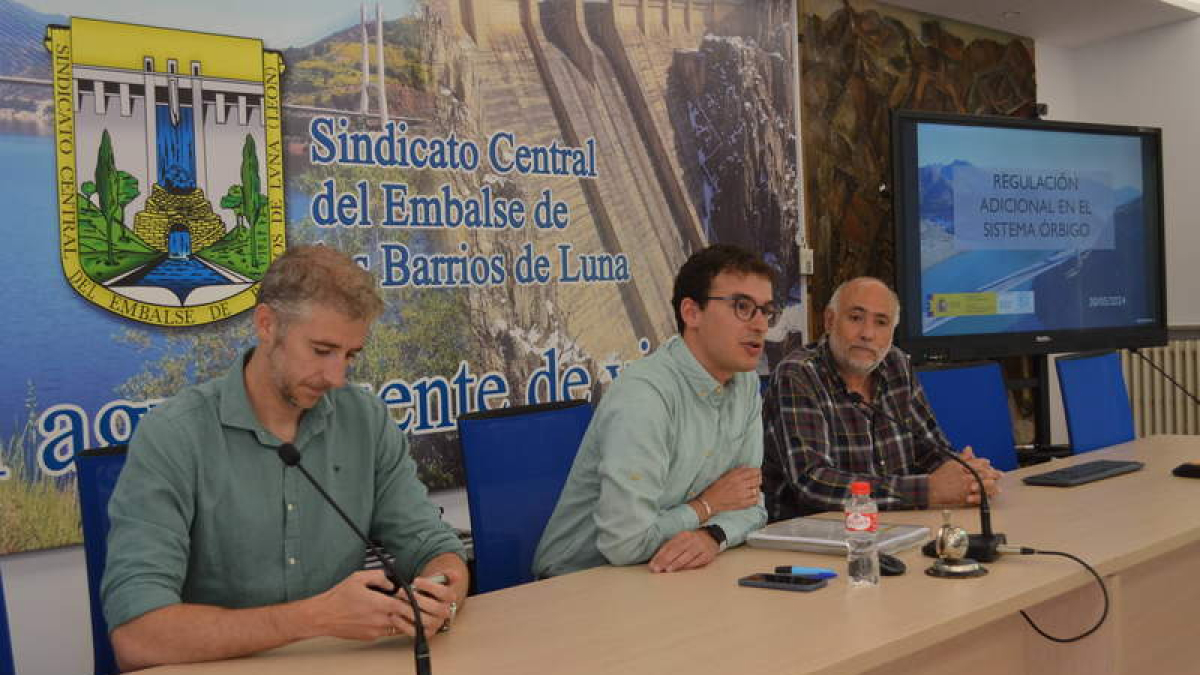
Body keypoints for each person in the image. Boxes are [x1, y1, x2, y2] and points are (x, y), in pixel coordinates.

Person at [102, 245, 468, 670]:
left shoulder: (365, 420)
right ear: (266, 324)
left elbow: (433, 545)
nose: (336, 377)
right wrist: (314, 618)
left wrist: (442, 594)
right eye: (321, 350)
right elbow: (137, 636)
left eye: (350, 355)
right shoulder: (174, 435)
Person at [533, 244, 772, 578]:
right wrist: (707, 506)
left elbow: (752, 506)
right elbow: (626, 543)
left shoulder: (745, 383)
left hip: (671, 573)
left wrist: (712, 535)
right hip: (580, 581)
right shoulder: (644, 396)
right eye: (742, 307)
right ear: (692, 312)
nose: (760, 325)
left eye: (766, 311)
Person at [761, 276, 1002, 521]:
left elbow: (931, 451)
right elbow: (812, 483)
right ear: (829, 321)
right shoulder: (798, 374)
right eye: (856, 318)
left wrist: (968, 476)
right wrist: (927, 490)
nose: (867, 334)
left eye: (881, 322)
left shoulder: (896, 364)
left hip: (896, 525)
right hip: (815, 532)